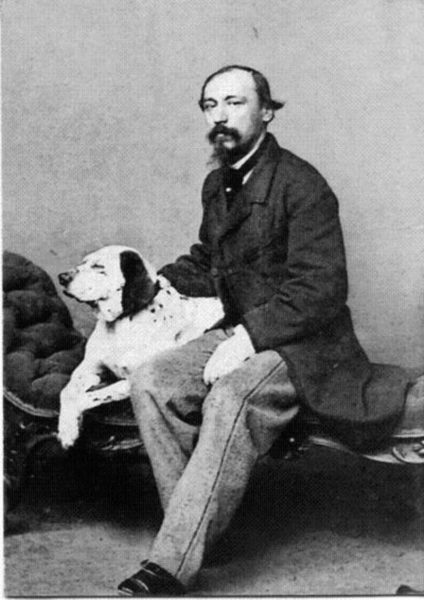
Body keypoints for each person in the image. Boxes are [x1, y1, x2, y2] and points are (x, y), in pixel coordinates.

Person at [118, 65, 409, 596]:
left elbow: (321, 289)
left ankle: (172, 562)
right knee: (151, 381)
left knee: (232, 396)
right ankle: (198, 532)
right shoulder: (217, 184)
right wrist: (150, 284)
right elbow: (209, 261)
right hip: (241, 331)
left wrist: (249, 339)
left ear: (267, 112)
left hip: (306, 344)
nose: (221, 116)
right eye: (210, 105)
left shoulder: (302, 184)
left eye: (235, 103)